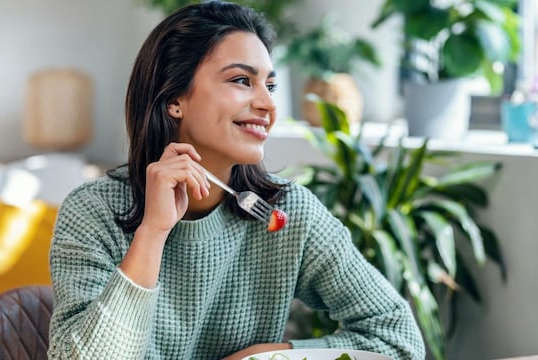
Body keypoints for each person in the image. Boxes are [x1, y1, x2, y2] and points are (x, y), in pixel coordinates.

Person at [47, 1, 425, 359]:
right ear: (175, 98)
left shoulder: (288, 212)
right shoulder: (92, 212)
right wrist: (153, 231)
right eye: (242, 80)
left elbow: (399, 337)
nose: (268, 105)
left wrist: (272, 355)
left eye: (270, 86)